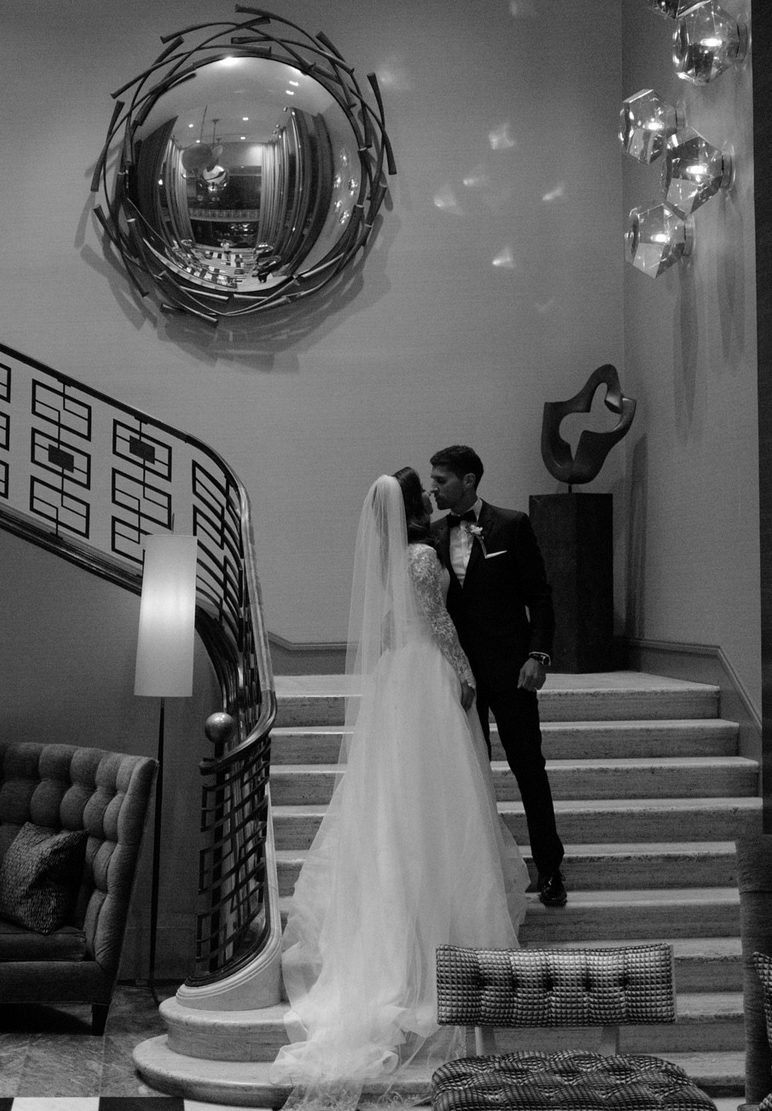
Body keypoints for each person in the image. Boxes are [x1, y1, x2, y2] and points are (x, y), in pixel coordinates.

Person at [274, 470, 526, 1110]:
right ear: (413, 506)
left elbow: (394, 619)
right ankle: (434, 939)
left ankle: (405, 930)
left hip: (397, 675)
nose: (434, 496)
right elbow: (439, 620)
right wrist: (465, 670)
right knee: (436, 807)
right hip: (426, 677)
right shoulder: (419, 555)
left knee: (394, 808)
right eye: (427, 491)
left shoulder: (394, 559)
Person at [428, 444, 567, 907]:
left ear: (469, 481)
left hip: (511, 670)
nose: (434, 488)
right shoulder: (430, 536)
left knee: (529, 767)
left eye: (442, 480)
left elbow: (540, 594)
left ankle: (550, 869)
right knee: (468, 776)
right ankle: (482, 877)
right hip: (458, 677)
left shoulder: (512, 524)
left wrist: (538, 656)